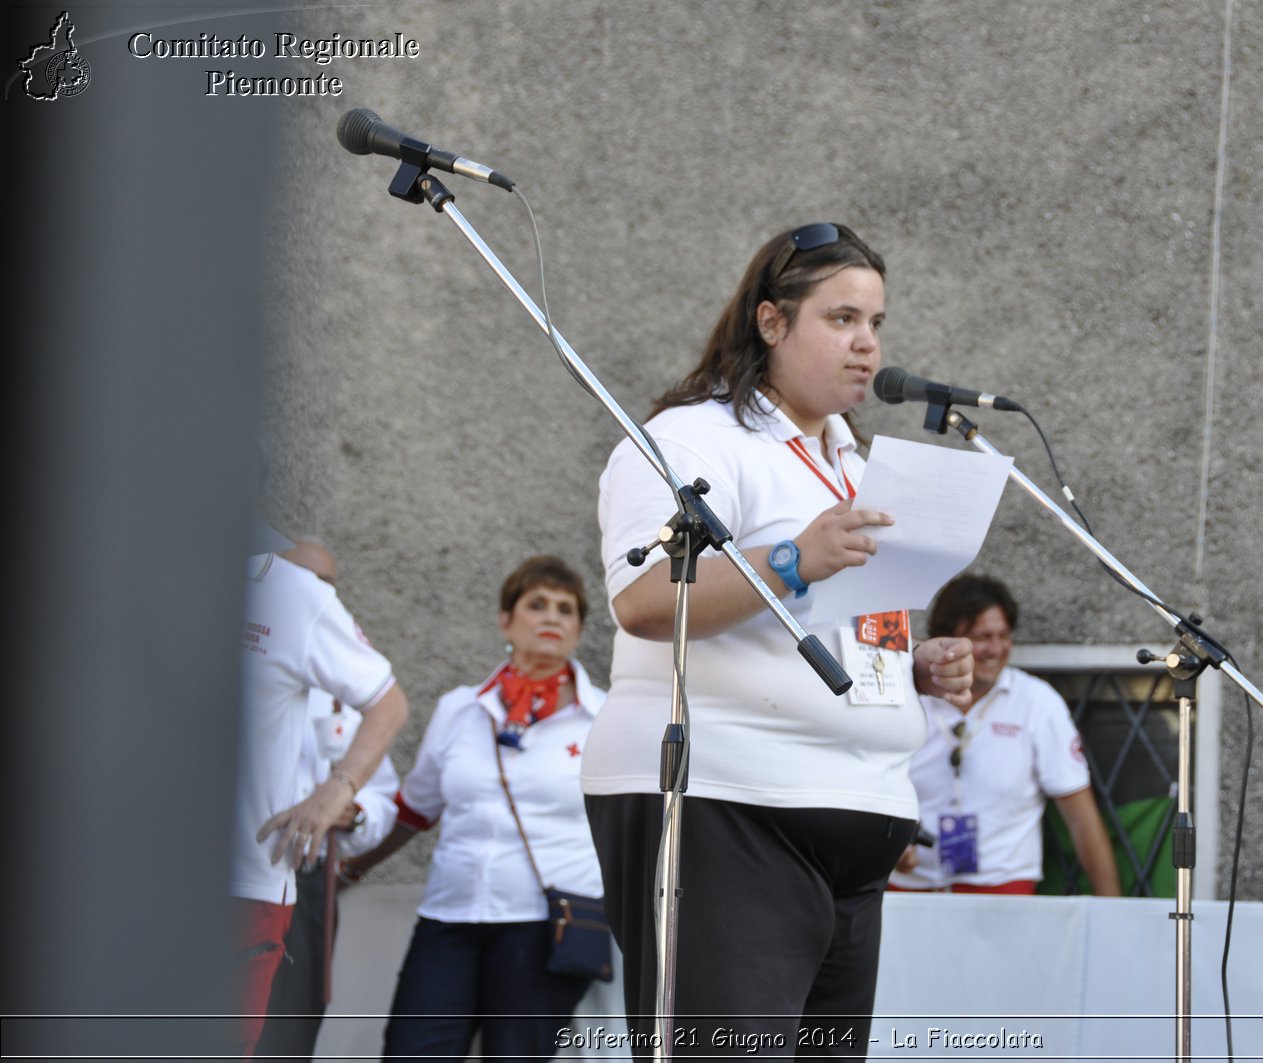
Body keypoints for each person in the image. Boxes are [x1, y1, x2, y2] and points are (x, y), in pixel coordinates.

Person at [586, 222, 976, 1059]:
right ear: (771, 322)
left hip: (854, 820)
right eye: (841, 319)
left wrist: (911, 667)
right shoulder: (694, 438)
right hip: (729, 808)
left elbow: (817, 627)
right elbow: (646, 599)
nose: (867, 344)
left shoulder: (851, 459)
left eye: (876, 323)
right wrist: (795, 556)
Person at [343, 555, 607, 1063]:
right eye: (537, 604)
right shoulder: (460, 708)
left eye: (566, 609)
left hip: (546, 925)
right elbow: (417, 808)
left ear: (578, 629)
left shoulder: (603, 717)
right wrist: (353, 868)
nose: (552, 617)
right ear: (505, 621)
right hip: (450, 916)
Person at [236, 526, 409, 1059]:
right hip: (158, 874)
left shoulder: (299, 612)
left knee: (283, 1034)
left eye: (327, 583)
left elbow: (385, 792)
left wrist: (341, 802)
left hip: (282, 870)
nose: (319, 592)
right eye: (310, 577)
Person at [890, 575, 1120, 896]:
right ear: (946, 639)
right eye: (982, 637)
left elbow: (1081, 817)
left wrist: (1110, 907)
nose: (995, 649)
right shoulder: (906, 694)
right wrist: (886, 846)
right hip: (907, 888)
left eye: (1003, 636)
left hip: (1002, 892)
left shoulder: (1037, 702)